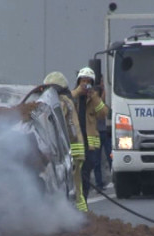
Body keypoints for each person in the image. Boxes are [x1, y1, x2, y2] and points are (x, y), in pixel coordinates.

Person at [43, 71, 88, 212]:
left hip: (71, 152)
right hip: (76, 150)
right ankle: (79, 214)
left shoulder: (61, 103)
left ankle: (80, 216)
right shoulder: (67, 100)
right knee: (76, 186)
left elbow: (54, 121)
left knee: (74, 188)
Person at [71, 67, 109, 200]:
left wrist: (94, 97)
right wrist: (77, 92)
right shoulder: (72, 97)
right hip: (76, 144)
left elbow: (103, 113)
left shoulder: (93, 100)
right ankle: (80, 204)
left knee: (86, 175)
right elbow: (63, 106)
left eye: (88, 81)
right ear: (78, 81)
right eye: (83, 81)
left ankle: (83, 203)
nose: (85, 84)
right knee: (78, 176)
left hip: (90, 146)